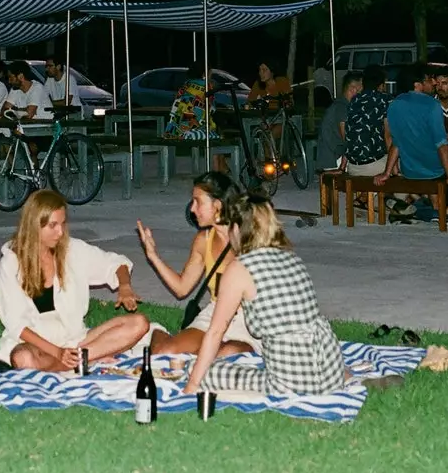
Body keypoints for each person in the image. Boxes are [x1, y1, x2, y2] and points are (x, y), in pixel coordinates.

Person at [181, 191, 345, 397]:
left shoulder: (240, 268)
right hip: (331, 370)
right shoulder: (291, 258)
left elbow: (215, 331)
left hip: (291, 383)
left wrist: (192, 385)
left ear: (238, 229)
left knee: (197, 369)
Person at [0, 189, 151, 370]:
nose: (60, 232)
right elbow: (16, 324)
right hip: (37, 344)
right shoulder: (12, 262)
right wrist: (58, 352)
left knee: (139, 323)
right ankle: (84, 359)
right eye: (53, 225)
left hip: (75, 339)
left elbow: (116, 263)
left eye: (62, 224)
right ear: (35, 225)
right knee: (23, 358)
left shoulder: (72, 250)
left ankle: (73, 362)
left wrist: (124, 286)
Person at [134, 172, 260, 356]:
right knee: (166, 351)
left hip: (248, 320)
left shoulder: (252, 238)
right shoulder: (203, 240)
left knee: (226, 354)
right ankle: (157, 332)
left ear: (217, 205)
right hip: (214, 313)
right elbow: (181, 289)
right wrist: (153, 256)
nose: (192, 209)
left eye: (198, 202)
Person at [377, 63, 448, 221]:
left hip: (410, 171)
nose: (434, 83)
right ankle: (442, 213)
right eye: (430, 80)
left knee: (432, 175)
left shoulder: (395, 104)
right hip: (434, 171)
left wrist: (387, 173)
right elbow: (441, 144)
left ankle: (421, 204)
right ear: (418, 84)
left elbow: (396, 142)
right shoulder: (432, 105)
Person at [344, 65, 390, 178]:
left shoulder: (354, 100)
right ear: (381, 84)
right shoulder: (385, 100)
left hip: (352, 167)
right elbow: (389, 137)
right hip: (374, 165)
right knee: (410, 169)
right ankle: (396, 196)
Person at [316, 71, 363, 172]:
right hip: (334, 159)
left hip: (333, 155)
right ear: (353, 89)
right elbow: (347, 138)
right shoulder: (342, 108)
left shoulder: (341, 104)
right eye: (362, 90)